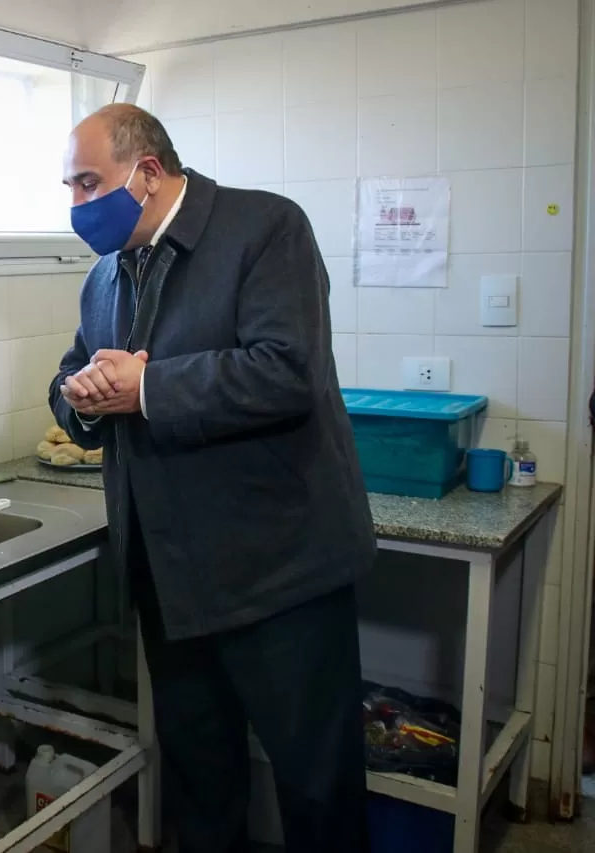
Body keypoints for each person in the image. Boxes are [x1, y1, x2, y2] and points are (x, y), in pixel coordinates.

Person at [50, 104, 376, 853]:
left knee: (317, 787)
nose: (76, 203)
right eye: (69, 187)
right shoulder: (104, 279)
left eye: (88, 182)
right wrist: (82, 398)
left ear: (148, 172)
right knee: (201, 786)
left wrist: (147, 386)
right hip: (172, 581)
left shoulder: (265, 230)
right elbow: (74, 375)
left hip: (280, 574)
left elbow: (286, 372)